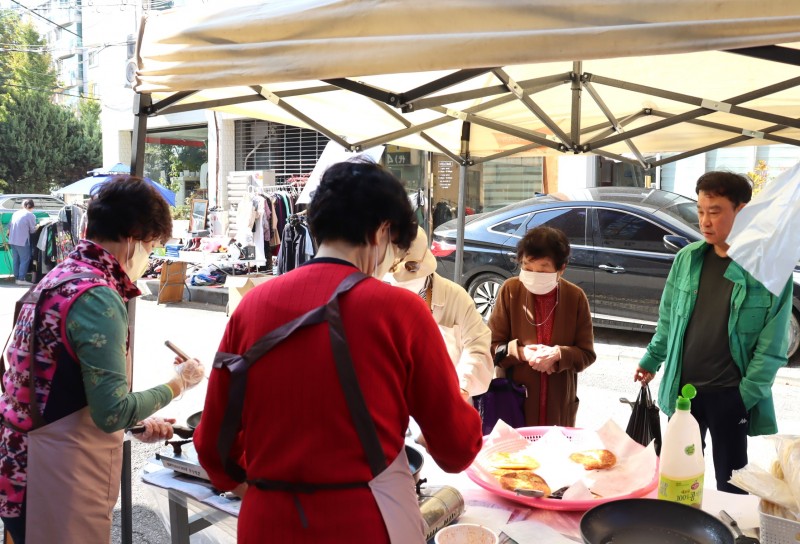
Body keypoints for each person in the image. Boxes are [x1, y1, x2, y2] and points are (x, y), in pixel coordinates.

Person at [194, 161, 483, 544]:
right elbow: (457, 448)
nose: (392, 262)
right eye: (395, 249)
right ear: (382, 232)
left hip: (266, 523)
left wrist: (267, 491)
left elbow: (213, 445)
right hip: (362, 523)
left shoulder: (252, 306)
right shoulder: (400, 311)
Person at [0, 177, 206, 544]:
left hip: (22, 464)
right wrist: (180, 383)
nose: (149, 256)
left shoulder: (57, 277)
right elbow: (110, 411)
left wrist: (135, 419)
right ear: (133, 237)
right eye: (152, 245)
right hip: (56, 476)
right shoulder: (97, 295)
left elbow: (62, 384)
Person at [634, 171, 792, 494]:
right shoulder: (687, 260)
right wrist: (651, 360)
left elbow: (772, 348)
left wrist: (743, 397)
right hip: (683, 393)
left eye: (715, 211)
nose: (705, 221)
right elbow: (668, 321)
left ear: (742, 212)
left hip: (730, 396)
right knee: (678, 479)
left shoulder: (768, 270)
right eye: (701, 211)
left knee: (732, 485)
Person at [488, 226, 596, 427]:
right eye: (527, 268)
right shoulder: (510, 291)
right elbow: (492, 347)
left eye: (543, 269)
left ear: (561, 269)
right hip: (515, 403)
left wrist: (558, 354)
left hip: (559, 407)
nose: (534, 275)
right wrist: (520, 352)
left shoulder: (575, 297)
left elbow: (587, 354)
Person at [386, 225, 493, 400]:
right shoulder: (377, 295)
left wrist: (460, 387)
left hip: (448, 399)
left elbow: (478, 348)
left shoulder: (456, 297)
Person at [7, 199, 37, 285]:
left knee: (16, 259)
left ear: (23, 206)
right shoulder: (30, 215)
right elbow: (32, 230)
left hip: (12, 240)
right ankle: (21, 279)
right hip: (22, 241)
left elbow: (9, 225)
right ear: (32, 207)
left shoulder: (16, 213)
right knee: (25, 259)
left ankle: (16, 277)